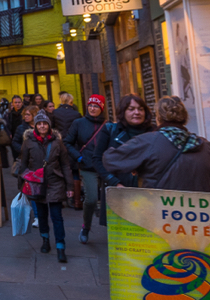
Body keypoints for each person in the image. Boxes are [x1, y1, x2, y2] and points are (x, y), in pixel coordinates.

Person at [103, 96, 210, 191]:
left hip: (161, 214)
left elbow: (111, 160)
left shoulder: (146, 142)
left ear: (158, 117)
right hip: (199, 217)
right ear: (185, 117)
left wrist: (138, 164)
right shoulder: (207, 147)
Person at [15, 111, 76, 262]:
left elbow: (65, 164)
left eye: (45, 123)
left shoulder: (57, 142)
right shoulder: (28, 142)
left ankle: (61, 246)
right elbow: (23, 164)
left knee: (57, 216)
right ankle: (45, 239)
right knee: (41, 215)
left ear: (49, 125)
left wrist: (70, 187)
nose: (42, 126)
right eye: (39, 124)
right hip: (36, 184)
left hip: (55, 182)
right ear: (35, 126)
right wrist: (22, 185)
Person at [63, 94, 110, 244]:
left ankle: (114, 229)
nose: (92, 108)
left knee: (110, 201)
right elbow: (67, 142)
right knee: (91, 199)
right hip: (88, 166)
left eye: (96, 106)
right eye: (90, 105)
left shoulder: (108, 125)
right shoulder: (78, 123)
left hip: (106, 167)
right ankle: (86, 227)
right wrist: (78, 157)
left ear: (101, 108)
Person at [95, 93, 157, 191]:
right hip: (117, 191)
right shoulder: (110, 130)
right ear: (123, 112)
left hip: (148, 192)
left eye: (140, 109)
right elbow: (97, 159)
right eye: (131, 109)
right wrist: (115, 183)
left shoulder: (154, 133)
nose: (137, 112)